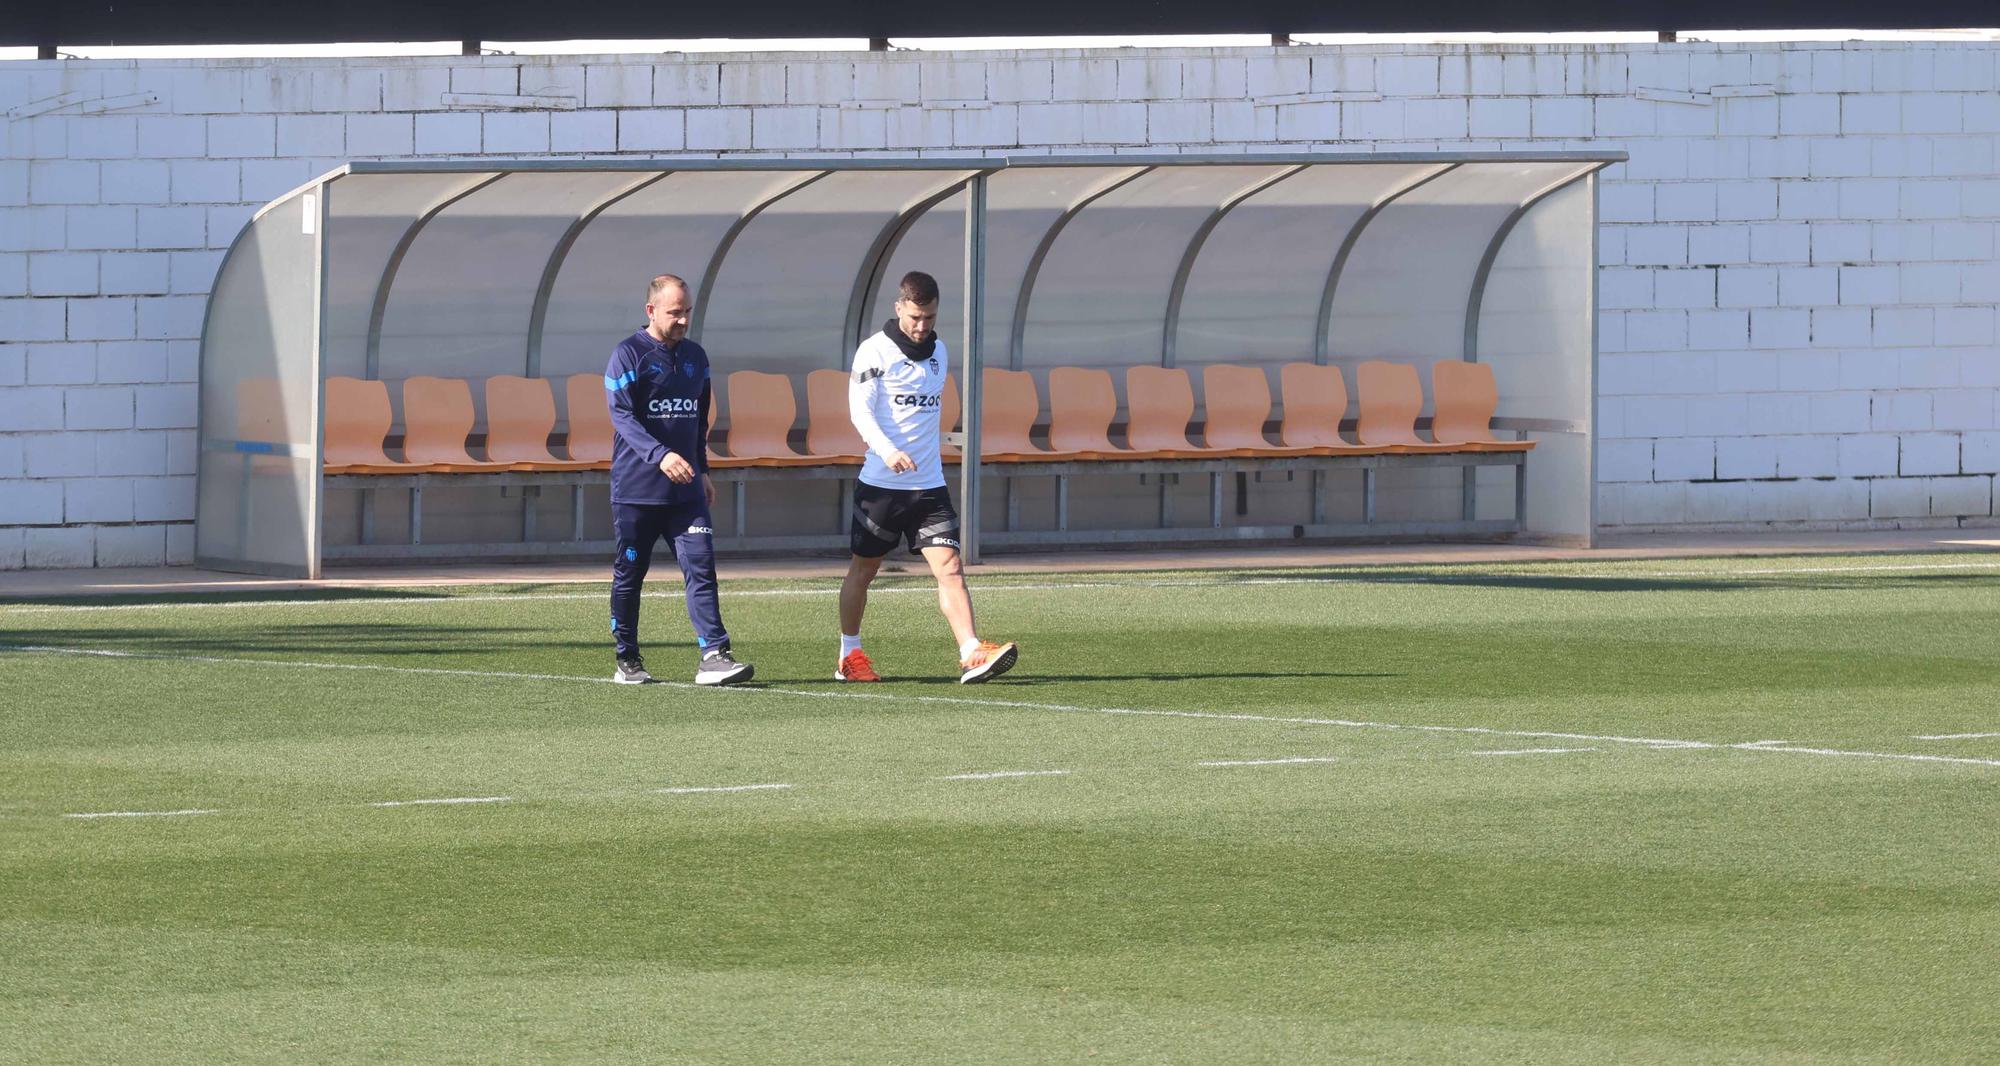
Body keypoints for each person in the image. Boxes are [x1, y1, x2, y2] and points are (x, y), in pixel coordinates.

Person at [836, 271, 1017, 685]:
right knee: (863, 571)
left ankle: (971, 651)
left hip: (929, 486)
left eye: (930, 318)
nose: (922, 326)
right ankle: (849, 653)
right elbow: (860, 411)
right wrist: (888, 451)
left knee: (951, 566)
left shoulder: (940, 352)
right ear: (899, 307)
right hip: (882, 485)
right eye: (915, 317)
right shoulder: (873, 351)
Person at [603, 273, 753, 687]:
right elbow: (622, 417)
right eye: (675, 312)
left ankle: (714, 655)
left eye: (688, 311)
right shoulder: (627, 355)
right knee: (630, 575)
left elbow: (698, 419)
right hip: (636, 492)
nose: (684, 320)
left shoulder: (696, 358)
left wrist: (702, 469)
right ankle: (627, 658)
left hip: (687, 492)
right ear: (651, 310)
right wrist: (660, 455)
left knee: (701, 566)